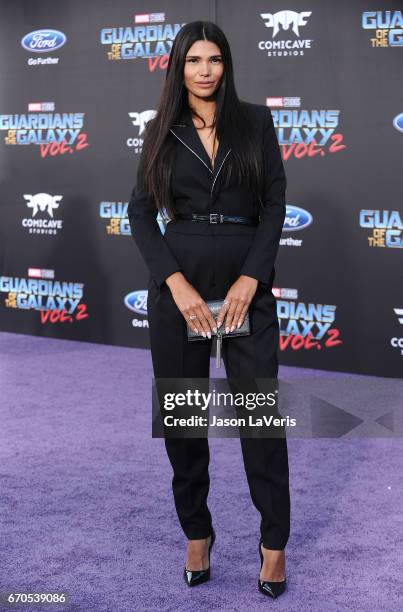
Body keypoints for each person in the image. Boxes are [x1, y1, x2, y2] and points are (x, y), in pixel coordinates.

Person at [127, 21, 291, 599]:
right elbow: (141, 216)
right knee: (185, 424)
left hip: (248, 287)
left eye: (214, 58)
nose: (204, 69)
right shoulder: (160, 130)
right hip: (180, 294)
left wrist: (253, 276)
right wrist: (176, 284)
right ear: (178, 66)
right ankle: (198, 534)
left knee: (259, 423)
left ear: (226, 64)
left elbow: (275, 205)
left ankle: (274, 547)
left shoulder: (257, 122)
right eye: (193, 59)